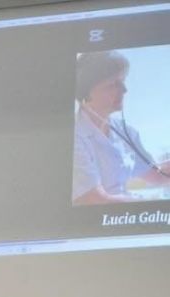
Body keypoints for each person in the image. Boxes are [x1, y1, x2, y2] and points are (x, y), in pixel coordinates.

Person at [72, 49, 170, 204]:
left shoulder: (126, 132)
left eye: (123, 81)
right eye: (113, 84)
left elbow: (156, 176)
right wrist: (151, 202)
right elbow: (94, 199)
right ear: (86, 92)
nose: (124, 90)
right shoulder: (74, 137)